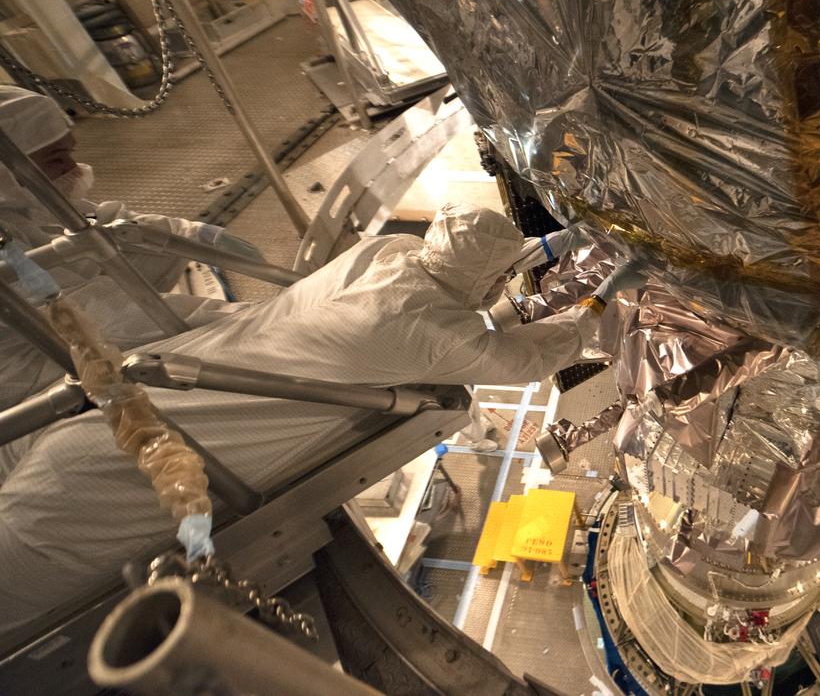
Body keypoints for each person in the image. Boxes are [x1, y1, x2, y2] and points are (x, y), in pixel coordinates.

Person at [0, 202, 609, 646]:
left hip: (97, 439)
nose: (503, 288)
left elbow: (472, 270)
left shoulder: (391, 254)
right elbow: (526, 359)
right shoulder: (425, 332)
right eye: (501, 281)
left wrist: (564, 242)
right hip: (111, 493)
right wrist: (600, 310)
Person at [0, 85, 256, 409]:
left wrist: (196, 236)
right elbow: (99, 319)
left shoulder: (17, 201)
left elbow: (105, 224)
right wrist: (251, 321)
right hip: (30, 377)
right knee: (182, 341)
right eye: (57, 159)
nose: (75, 170)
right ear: (5, 171)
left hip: (70, 325)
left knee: (138, 254)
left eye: (70, 152)